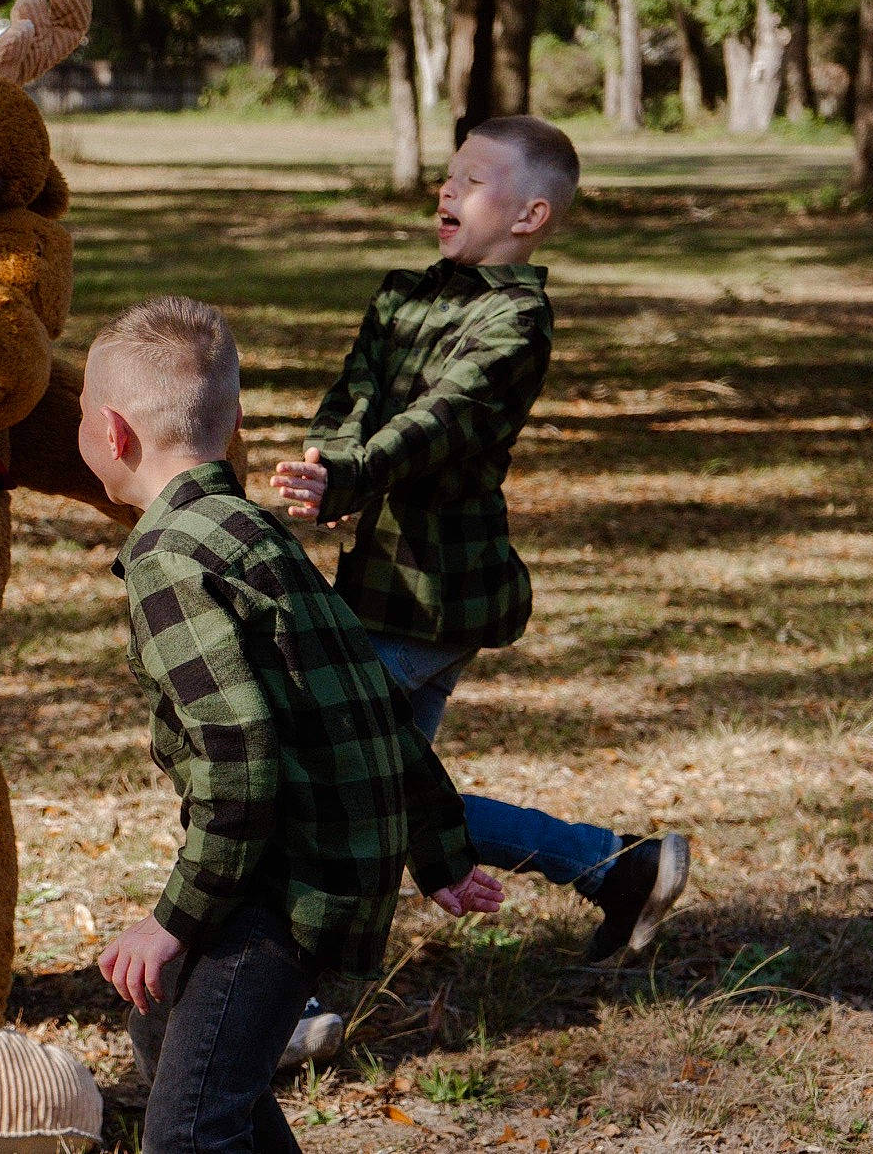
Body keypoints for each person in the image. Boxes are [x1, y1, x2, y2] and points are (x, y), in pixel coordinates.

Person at [270, 116, 690, 1063]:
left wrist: (357, 475)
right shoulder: (403, 294)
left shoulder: (516, 322)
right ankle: (617, 866)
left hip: (436, 594)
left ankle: (286, 999)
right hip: (376, 582)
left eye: (474, 180)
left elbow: (441, 420)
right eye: (448, 175)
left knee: (321, 774)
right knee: (391, 785)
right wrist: (331, 463)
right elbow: (355, 396)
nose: (447, 190)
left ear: (531, 216)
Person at [82, 297, 504, 1154]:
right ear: (234, 421)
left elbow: (239, 762)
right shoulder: (251, 532)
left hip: (281, 885)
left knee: (189, 1131)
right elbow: (365, 695)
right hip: (311, 862)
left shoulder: (169, 559)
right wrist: (440, 845)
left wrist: (172, 920)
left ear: (112, 434)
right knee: (169, 1034)